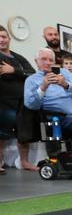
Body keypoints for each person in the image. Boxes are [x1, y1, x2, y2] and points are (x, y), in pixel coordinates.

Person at [0, 24, 37, 173]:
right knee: (1, 134)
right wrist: (20, 75)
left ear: (9, 38)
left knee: (24, 133)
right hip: (3, 102)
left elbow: (32, 73)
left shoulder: (18, 58)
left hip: (22, 103)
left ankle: (24, 162)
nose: (1, 40)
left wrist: (13, 70)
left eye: (3, 36)